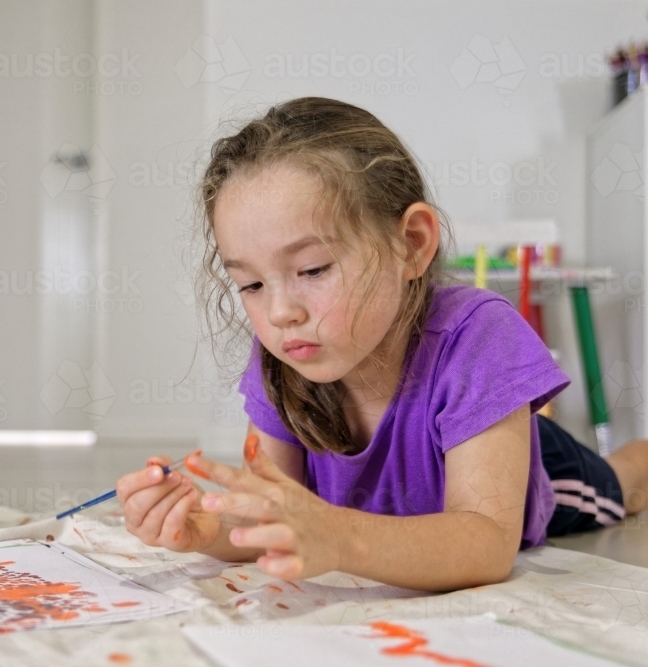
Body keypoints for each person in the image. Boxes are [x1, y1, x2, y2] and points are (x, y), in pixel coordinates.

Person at [115, 97, 648, 592]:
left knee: (620, 487)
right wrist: (204, 528)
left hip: (534, 461)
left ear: (411, 244)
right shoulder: (284, 358)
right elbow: (272, 519)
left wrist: (340, 538)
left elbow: (487, 544)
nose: (280, 313)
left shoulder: (480, 336)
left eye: (312, 269)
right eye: (251, 285)